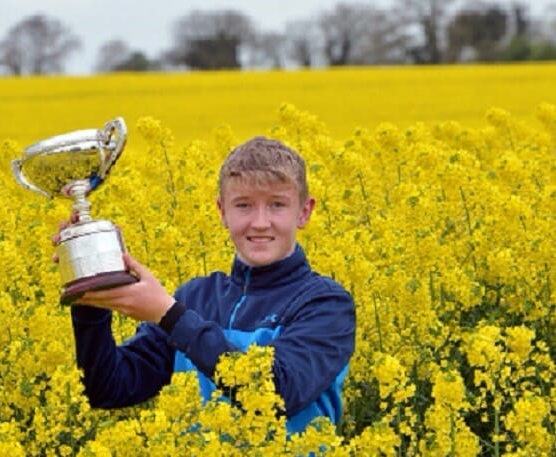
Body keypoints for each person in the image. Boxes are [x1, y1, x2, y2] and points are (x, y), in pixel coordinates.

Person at [56, 136, 356, 433]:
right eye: (244, 205)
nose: (260, 222)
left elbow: (278, 393)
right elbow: (109, 388)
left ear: (304, 212)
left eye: (277, 205)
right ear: (222, 212)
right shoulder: (195, 298)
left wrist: (170, 316)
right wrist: (91, 294)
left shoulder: (326, 304)